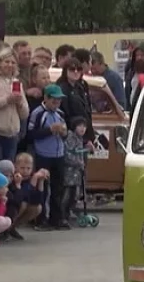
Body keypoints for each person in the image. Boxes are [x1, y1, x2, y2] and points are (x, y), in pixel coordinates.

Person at [27, 85, 68, 230]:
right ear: (46, 98)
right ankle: (40, 219)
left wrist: (64, 133)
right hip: (43, 154)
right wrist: (49, 130)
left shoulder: (61, 114)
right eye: (54, 100)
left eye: (59, 100)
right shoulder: (38, 113)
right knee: (42, 188)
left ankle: (57, 218)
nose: (57, 103)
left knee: (58, 188)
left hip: (59, 154)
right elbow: (31, 134)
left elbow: (65, 134)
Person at [0, 47, 30, 168]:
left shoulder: (16, 82)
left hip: (12, 134)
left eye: (13, 62)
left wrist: (19, 103)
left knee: (9, 170)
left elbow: (25, 113)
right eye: (7, 62)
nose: (10, 65)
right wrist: (6, 100)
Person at [5, 153, 47, 240]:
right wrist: (33, 179)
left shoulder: (31, 178)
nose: (25, 171)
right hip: (8, 208)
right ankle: (4, 229)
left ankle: (12, 228)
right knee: (23, 204)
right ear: (15, 167)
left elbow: (38, 200)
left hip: (18, 207)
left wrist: (41, 181)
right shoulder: (12, 178)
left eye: (28, 168)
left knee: (38, 208)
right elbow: (20, 197)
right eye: (22, 168)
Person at [57, 58, 96, 145]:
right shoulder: (62, 89)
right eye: (72, 69)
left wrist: (89, 137)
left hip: (84, 133)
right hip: (70, 136)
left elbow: (87, 112)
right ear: (65, 71)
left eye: (78, 69)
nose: (75, 72)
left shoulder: (81, 87)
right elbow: (64, 114)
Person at [63, 117, 88, 225]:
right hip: (69, 171)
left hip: (77, 172)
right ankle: (63, 214)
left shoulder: (80, 139)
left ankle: (69, 212)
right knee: (67, 194)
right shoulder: (71, 137)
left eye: (84, 126)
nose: (82, 129)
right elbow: (68, 154)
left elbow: (80, 153)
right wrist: (78, 163)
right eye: (80, 126)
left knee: (75, 194)